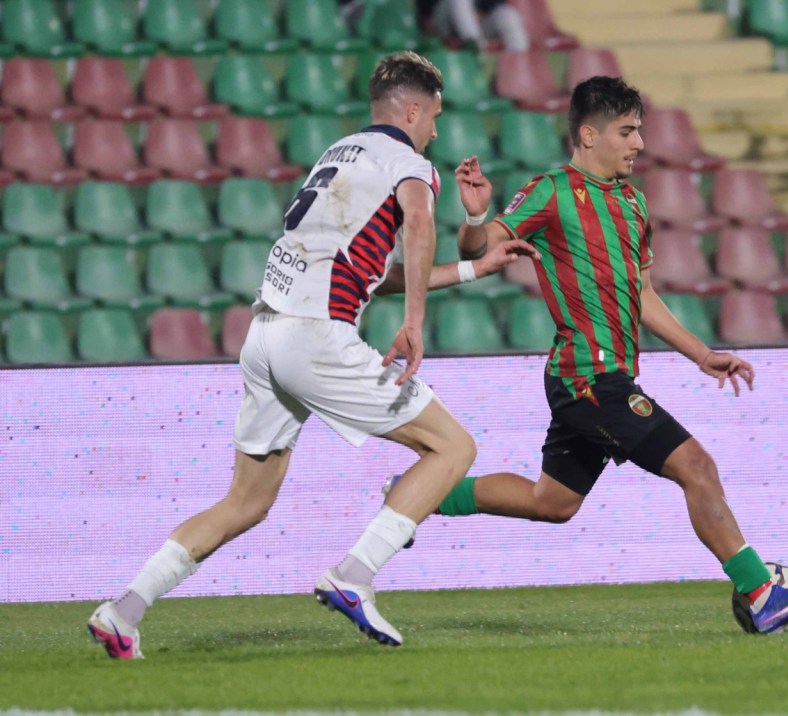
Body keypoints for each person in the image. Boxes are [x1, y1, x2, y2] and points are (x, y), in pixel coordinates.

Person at [86, 50, 537, 659]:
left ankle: (124, 610)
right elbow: (419, 225)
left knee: (247, 501)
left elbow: (373, 271)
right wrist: (413, 325)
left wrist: (473, 269)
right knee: (453, 448)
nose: (435, 129)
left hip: (266, 334)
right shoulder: (411, 165)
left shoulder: (338, 154)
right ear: (412, 111)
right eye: (434, 116)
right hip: (316, 336)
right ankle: (355, 575)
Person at [405, 75, 788, 634]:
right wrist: (477, 218)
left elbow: (642, 294)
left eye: (639, 131)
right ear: (589, 134)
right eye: (627, 131)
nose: (639, 144)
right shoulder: (551, 190)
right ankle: (760, 591)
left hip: (604, 376)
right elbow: (482, 249)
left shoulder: (633, 203)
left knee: (553, 502)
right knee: (697, 467)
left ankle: (415, 496)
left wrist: (701, 355)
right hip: (587, 377)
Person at [417, 0, 530, 51]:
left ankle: (519, 64)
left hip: (475, 23)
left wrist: (482, 13)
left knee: (508, 15)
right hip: (442, 21)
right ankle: (474, 45)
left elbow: (494, 4)